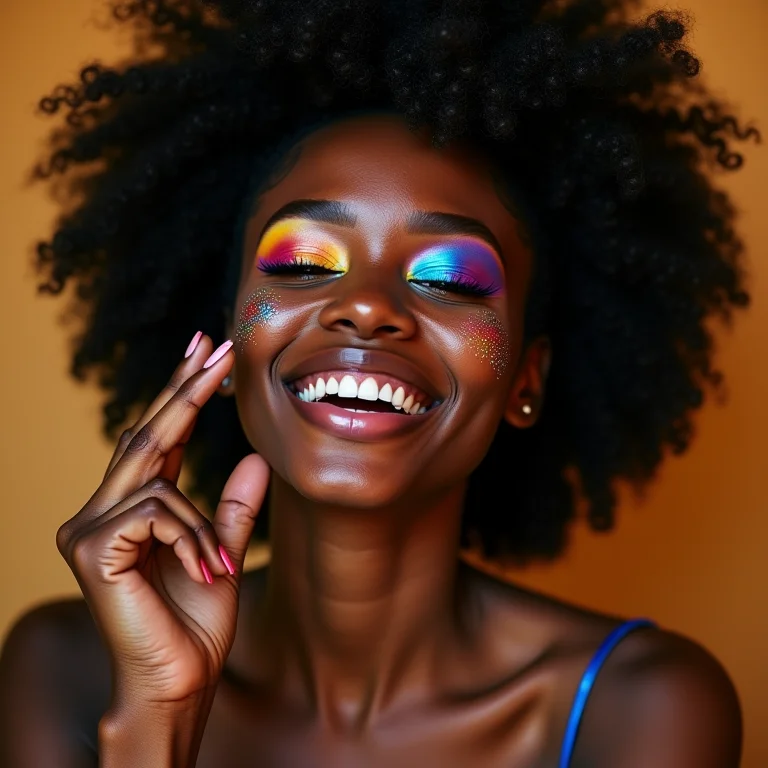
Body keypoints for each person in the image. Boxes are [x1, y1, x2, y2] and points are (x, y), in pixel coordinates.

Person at [0, 0, 757, 765]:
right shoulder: (67, 668)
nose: (366, 306)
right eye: (303, 264)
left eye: (452, 279)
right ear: (230, 344)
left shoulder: (645, 706)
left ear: (526, 379)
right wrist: (158, 710)